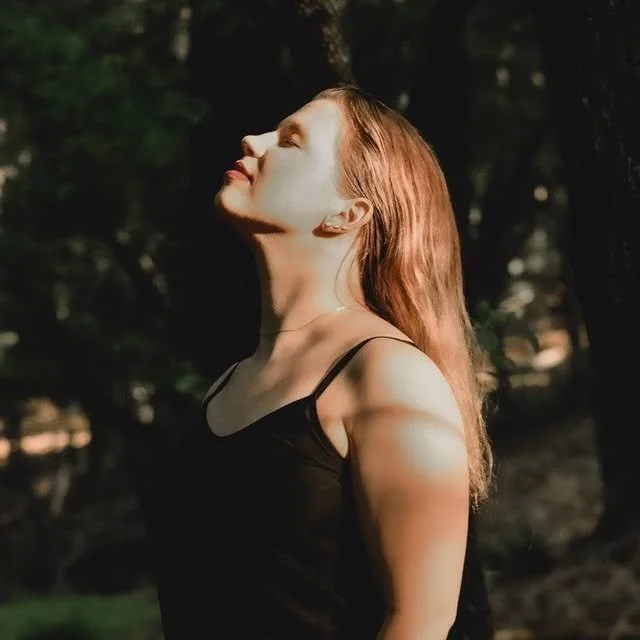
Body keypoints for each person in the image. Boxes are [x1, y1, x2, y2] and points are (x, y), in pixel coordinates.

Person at [140, 84, 495, 639]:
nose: (252, 140)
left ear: (346, 213)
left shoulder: (389, 378)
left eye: (291, 140)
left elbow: (421, 621)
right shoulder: (228, 383)